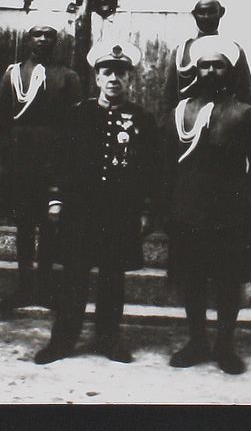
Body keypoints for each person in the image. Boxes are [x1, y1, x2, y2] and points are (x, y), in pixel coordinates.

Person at [33, 41, 159, 364]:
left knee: (113, 280)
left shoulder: (141, 119)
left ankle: (107, 340)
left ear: (129, 79)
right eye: (107, 72)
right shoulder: (77, 115)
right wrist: (55, 200)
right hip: (80, 212)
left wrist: (145, 210)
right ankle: (62, 341)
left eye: (120, 73)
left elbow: (148, 170)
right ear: (98, 79)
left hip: (119, 213)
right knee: (73, 278)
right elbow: (59, 161)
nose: (114, 78)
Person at [164, 36, 251, 374]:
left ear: (229, 71)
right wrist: (165, 210)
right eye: (204, 65)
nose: (211, 71)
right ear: (196, 70)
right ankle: (197, 342)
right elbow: (166, 165)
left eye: (218, 65)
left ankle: (225, 346)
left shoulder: (246, 114)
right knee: (192, 280)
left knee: (228, 283)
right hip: (188, 211)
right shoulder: (181, 111)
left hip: (231, 214)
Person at [0, 17, 81, 318]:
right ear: (28, 38)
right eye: (37, 34)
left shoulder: (67, 77)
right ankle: (23, 287)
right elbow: (2, 122)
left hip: (53, 161)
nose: (43, 39)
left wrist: (66, 167)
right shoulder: (12, 75)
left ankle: (45, 288)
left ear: (55, 41)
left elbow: (74, 127)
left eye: (49, 35)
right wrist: (4, 162)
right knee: (24, 226)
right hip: (20, 162)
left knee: (51, 225)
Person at [164, 0, 251, 112]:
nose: (206, 17)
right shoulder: (182, 51)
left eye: (211, 12)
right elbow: (169, 96)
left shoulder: (233, 50)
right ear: (194, 15)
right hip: (189, 118)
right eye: (201, 12)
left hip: (225, 119)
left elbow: (245, 95)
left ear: (221, 13)